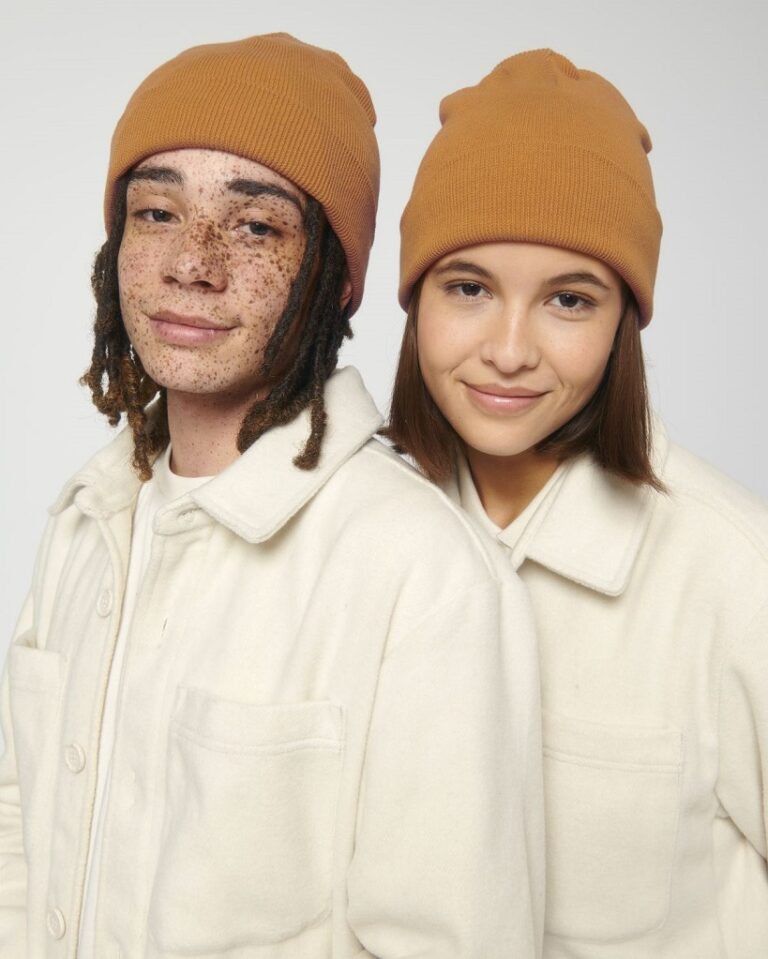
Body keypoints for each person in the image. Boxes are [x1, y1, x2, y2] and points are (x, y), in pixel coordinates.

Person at [0, 35, 544, 959]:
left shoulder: (421, 569)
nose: (192, 262)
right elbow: (22, 835)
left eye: (255, 227)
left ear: (335, 278)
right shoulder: (90, 517)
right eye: (157, 212)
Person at [388, 48, 768, 958]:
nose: (509, 349)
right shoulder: (362, 537)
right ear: (414, 301)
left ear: (622, 321)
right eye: (469, 288)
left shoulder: (732, 571)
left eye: (568, 299)